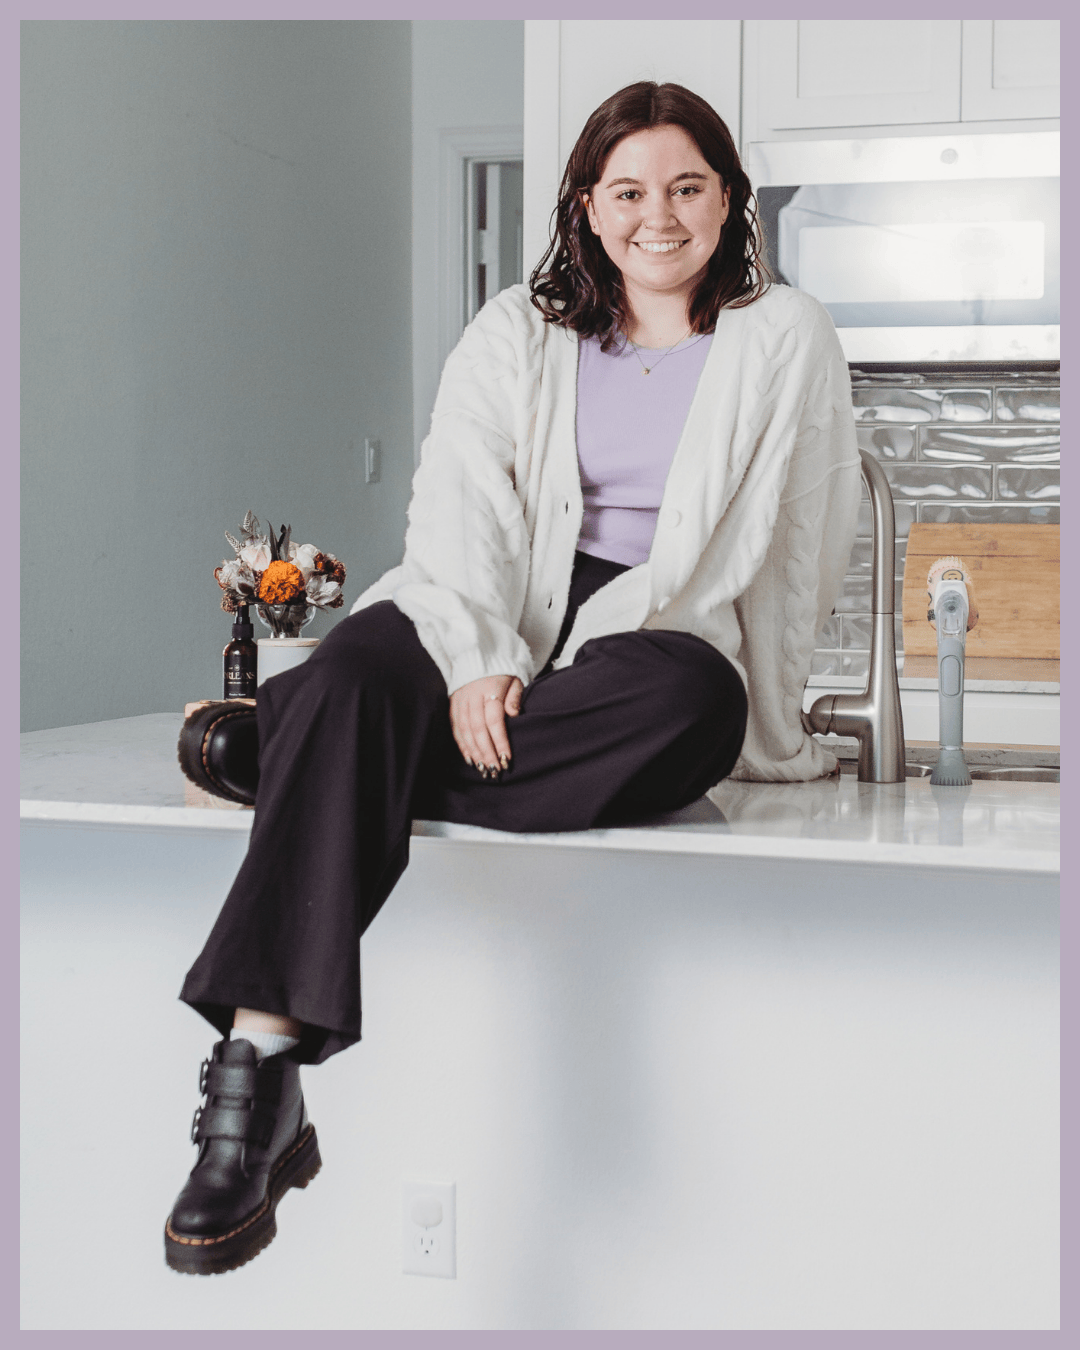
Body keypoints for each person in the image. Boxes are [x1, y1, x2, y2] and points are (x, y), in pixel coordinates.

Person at [165, 81, 861, 1275]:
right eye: (628, 191)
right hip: (479, 597)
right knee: (352, 671)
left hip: (647, 628)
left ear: (728, 200)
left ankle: (301, 750)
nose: (658, 216)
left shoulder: (783, 333)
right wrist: (479, 657)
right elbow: (460, 503)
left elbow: (805, 526)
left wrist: (778, 719)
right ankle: (259, 1077)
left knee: (698, 708)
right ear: (586, 206)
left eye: (687, 188)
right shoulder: (515, 329)